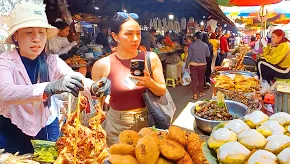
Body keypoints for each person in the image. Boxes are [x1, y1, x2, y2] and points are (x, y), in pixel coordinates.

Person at [0, 3, 111, 154]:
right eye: (28, 32)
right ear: (15, 36)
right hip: (12, 126)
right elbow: (6, 92)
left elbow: (73, 76)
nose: (36, 38)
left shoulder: (51, 60)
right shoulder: (5, 62)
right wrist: (49, 88)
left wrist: (93, 86)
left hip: (46, 124)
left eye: (41, 32)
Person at [91, 12, 166, 146]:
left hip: (148, 123)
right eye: (129, 34)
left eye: (138, 33)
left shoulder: (151, 58)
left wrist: (150, 83)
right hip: (117, 126)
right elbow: (98, 104)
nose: (135, 38)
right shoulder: (101, 66)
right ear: (115, 36)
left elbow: (162, 91)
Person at [185, 32, 210, 100]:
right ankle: (201, 93)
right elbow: (208, 55)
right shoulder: (205, 45)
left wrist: (186, 65)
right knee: (201, 79)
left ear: (195, 37)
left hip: (193, 65)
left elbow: (189, 56)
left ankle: (195, 95)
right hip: (203, 65)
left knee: (194, 80)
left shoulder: (191, 45)